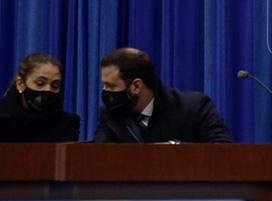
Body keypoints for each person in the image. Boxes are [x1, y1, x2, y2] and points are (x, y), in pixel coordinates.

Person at [94, 48, 233, 143]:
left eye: (111, 86)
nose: (105, 91)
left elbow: (223, 149)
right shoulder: (110, 114)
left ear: (136, 86)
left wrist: (175, 150)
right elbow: (101, 156)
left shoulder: (194, 107)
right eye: (104, 85)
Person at [0, 53, 79, 142]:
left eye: (55, 86)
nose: (48, 90)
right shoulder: (3, 118)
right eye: (40, 83)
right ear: (20, 84)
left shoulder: (67, 123)